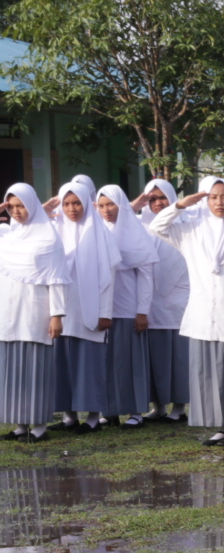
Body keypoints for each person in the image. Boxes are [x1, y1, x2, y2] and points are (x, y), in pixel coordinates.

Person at [148, 176, 224, 446]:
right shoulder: (192, 229)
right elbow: (156, 227)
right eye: (213, 197)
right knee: (209, 373)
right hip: (202, 314)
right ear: (206, 200)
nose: (219, 202)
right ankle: (220, 425)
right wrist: (179, 205)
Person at [0, 184, 71, 442]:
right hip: (8, 314)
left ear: (32, 204)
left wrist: (57, 315)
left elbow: (57, 279)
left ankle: (39, 427)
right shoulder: (7, 237)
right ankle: (20, 425)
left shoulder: (48, 239)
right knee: (12, 373)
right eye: (11, 206)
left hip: (34, 314)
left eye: (21, 206)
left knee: (35, 372)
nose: (16, 212)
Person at [48, 180, 118, 432]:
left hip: (90, 309)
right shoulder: (55, 231)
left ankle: (92, 418)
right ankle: (69, 416)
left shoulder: (100, 233)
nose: (71, 209)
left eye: (76, 202)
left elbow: (109, 277)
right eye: (66, 204)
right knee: (63, 364)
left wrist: (105, 312)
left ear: (85, 203)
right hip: (62, 310)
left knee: (88, 364)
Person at [94, 185, 156, 427]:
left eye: (111, 204)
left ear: (121, 205)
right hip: (104, 310)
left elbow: (146, 276)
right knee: (107, 362)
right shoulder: (98, 233)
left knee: (131, 362)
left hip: (129, 310)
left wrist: (142, 311)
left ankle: (135, 412)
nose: (106, 210)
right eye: (101, 205)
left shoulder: (136, 234)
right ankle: (109, 411)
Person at [134, 180, 193, 423]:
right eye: (152, 199)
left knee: (178, 358)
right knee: (155, 358)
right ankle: (158, 406)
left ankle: (179, 407)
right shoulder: (138, 227)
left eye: (163, 198)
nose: (158, 203)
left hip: (179, 302)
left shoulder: (185, 226)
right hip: (148, 305)